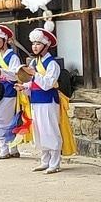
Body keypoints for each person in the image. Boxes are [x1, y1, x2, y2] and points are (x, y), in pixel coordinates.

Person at [16, 24, 75, 174]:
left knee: (50, 130)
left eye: (38, 44)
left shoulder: (52, 64)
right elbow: (34, 82)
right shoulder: (35, 63)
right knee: (39, 131)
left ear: (46, 46)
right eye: (34, 43)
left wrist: (34, 74)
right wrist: (25, 87)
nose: (35, 47)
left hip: (49, 100)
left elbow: (48, 84)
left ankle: (55, 163)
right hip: (36, 100)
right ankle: (45, 160)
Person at [0, 25, 26, 160]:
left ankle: (4, 149)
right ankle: (13, 148)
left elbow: (17, 75)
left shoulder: (13, 57)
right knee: (9, 121)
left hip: (10, 91)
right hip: (1, 91)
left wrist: (3, 72)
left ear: (5, 40)